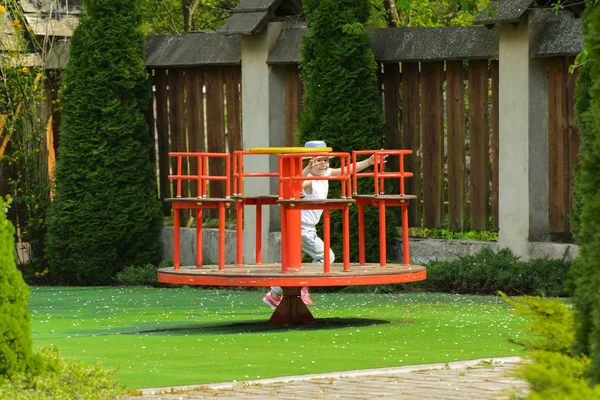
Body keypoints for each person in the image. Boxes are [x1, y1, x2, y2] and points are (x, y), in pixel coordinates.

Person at [263, 140, 382, 308]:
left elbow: (346, 170)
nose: (323, 164)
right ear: (309, 161)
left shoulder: (324, 175)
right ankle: (303, 286)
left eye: (326, 160)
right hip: (301, 229)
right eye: (318, 160)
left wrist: (369, 162)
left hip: (305, 228)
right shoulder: (308, 179)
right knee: (327, 257)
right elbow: (294, 184)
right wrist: (306, 169)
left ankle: (273, 294)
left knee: (294, 265)